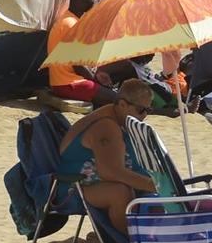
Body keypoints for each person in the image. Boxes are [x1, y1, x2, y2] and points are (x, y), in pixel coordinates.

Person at [55, 77, 157, 232]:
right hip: (73, 187)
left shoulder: (118, 118)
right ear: (122, 104)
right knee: (121, 193)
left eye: (148, 110)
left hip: (94, 182)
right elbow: (111, 172)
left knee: (148, 185)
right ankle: (131, 241)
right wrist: (153, 184)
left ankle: (153, 234)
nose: (144, 116)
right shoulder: (106, 126)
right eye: (141, 110)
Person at [44, 0, 99, 103]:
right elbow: (78, 67)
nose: (93, 2)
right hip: (68, 84)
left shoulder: (70, 20)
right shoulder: (70, 24)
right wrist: (97, 80)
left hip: (64, 81)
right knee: (117, 99)